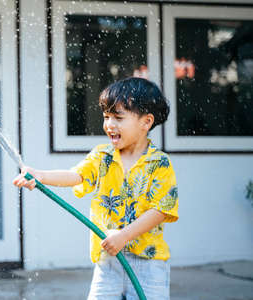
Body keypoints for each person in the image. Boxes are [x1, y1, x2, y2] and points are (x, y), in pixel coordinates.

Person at [13, 77, 179, 300]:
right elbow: (76, 175)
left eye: (118, 118)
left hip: (148, 264)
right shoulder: (103, 156)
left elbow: (161, 210)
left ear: (146, 122)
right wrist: (41, 176)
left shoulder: (159, 163)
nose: (110, 125)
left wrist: (124, 236)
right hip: (108, 261)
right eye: (106, 117)